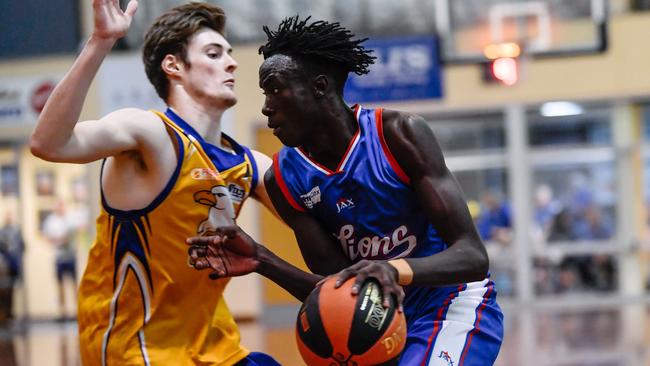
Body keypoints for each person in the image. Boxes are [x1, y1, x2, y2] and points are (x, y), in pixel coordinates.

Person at [189, 16, 504, 365]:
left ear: (320, 86)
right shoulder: (284, 178)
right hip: (381, 319)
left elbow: (473, 257)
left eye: (275, 89)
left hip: (450, 303)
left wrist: (393, 269)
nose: (266, 106)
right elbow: (335, 290)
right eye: (265, 94)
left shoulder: (399, 135)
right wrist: (262, 260)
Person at [29, 1, 279, 365]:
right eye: (214, 53)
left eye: (229, 52)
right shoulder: (151, 133)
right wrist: (99, 42)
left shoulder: (249, 164)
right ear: (174, 65)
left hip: (217, 349)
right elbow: (48, 143)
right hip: (137, 351)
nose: (231, 62)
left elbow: (319, 218)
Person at [42, 200, 77, 320]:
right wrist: (58, 241)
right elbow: (46, 236)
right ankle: (63, 313)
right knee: (60, 284)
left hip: (71, 256)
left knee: (74, 284)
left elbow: (77, 232)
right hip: (59, 256)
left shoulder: (70, 218)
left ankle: (77, 311)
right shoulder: (51, 221)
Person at [0, 212, 25, 322]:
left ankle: (9, 314)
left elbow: (23, 247)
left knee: (11, 291)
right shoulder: (1, 232)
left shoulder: (16, 232)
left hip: (13, 266)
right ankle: (3, 315)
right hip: (4, 267)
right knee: (3, 291)